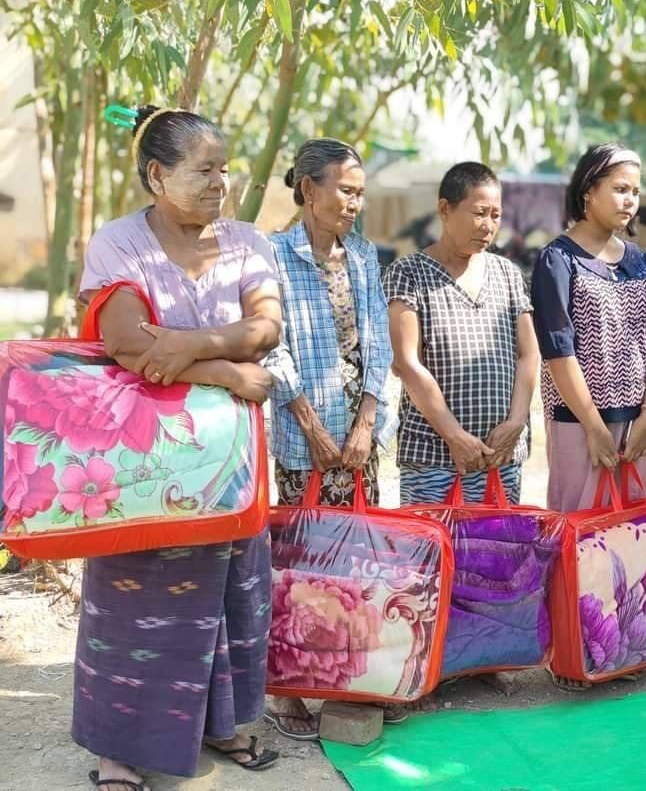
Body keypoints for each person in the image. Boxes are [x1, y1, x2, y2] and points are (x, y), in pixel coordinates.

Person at [74, 105, 282, 789]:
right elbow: (127, 343)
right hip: (141, 460)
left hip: (231, 461)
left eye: (224, 169)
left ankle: (221, 726)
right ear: (157, 175)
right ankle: (121, 750)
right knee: (138, 597)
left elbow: (266, 331)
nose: (220, 182)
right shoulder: (117, 244)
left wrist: (188, 345)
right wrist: (223, 370)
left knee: (229, 591)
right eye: (203, 169)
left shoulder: (250, 241)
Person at [262, 138, 393, 738]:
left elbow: (379, 346)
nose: (353, 204)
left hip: (358, 445)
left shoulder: (364, 255)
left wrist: (367, 423)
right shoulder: (272, 256)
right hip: (301, 439)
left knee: (355, 564)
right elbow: (272, 346)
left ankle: (346, 679)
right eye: (345, 191)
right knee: (297, 566)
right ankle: (287, 690)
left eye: (360, 194)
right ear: (308, 188)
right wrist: (311, 425)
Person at [384, 162, 538, 505]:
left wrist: (516, 422)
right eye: (479, 212)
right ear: (444, 209)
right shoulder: (408, 273)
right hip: (433, 459)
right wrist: (455, 436)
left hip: (502, 457)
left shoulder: (507, 273)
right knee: (434, 554)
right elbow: (407, 363)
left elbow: (528, 354)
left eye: (496, 215)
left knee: (498, 554)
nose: (488, 226)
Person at [531, 143, 646, 515]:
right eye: (621, 189)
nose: (630, 201)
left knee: (632, 533)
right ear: (589, 191)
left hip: (635, 422)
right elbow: (558, 350)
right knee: (578, 529)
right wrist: (594, 426)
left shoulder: (639, 260)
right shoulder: (557, 259)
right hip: (578, 420)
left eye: (636, 192)